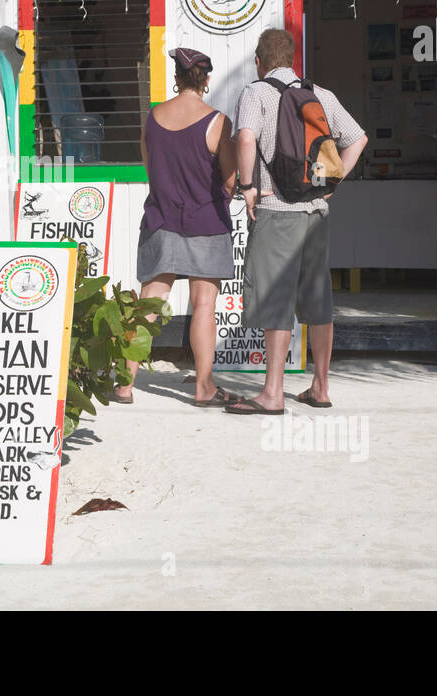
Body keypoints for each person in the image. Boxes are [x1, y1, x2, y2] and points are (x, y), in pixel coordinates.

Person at [227, 28, 367, 415]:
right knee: (318, 299)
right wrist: (332, 185)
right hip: (316, 212)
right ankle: (320, 387)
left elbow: (246, 139)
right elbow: (357, 139)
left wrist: (249, 186)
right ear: (292, 59)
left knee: (276, 297)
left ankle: (272, 393)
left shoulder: (256, 93)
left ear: (259, 60)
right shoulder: (321, 94)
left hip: (277, 209)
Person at [120, 47, 241, 407]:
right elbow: (231, 178)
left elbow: (149, 165)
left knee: (149, 304)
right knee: (204, 304)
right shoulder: (217, 121)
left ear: (177, 77)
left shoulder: (154, 117)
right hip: (206, 221)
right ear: (205, 80)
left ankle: (125, 385)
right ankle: (204, 387)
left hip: (161, 219)